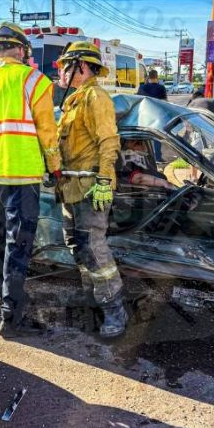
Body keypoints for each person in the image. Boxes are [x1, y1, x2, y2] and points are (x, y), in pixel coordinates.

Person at [0, 22, 61, 337]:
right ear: (21, 50)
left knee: (0, 242)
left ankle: (4, 304)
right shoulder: (34, 80)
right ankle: (12, 318)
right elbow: (47, 132)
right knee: (18, 246)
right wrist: (55, 167)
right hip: (22, 176)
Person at [55, 41, 127, 338]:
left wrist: (105, 181)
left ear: (81, 67)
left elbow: (109, 141)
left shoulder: (96, 97)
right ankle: (93, 299)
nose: (61, 71)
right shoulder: (75, 99)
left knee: (94, 250)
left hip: (90, 189)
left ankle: (114, 311)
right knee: (78, 245)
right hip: (70, 188)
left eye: (65, 66)